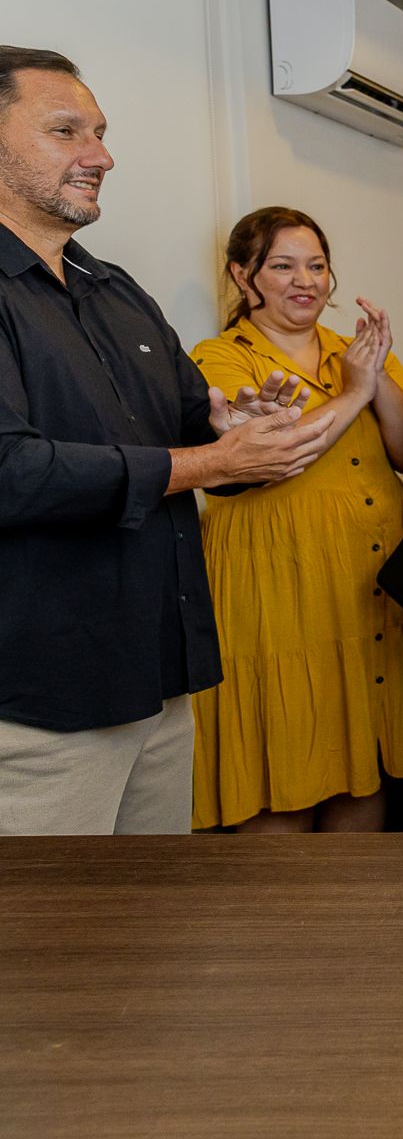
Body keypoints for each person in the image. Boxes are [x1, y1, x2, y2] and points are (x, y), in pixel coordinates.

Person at [0, 47, 334, 835]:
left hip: (159, 677)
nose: (101, 155)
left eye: (101, 132)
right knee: (54, 948)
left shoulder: (117, 293)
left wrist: (240, 430)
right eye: (66, 131)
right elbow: (10, 472)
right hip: (46, 702)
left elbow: (195, 430)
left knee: (152, 938)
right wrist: (210, 459)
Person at [189, 207, 403, 832]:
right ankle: (273, 929)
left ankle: (353, 928)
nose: (305, 280)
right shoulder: (220, 356)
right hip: (279, 591)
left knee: (365, 764)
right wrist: (352, 394)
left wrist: (372, 376)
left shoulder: (352, 352)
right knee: (286, 766)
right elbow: (274, 454)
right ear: (244, 277)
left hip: (373, 588)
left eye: (317, 266)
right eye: (282, 266)